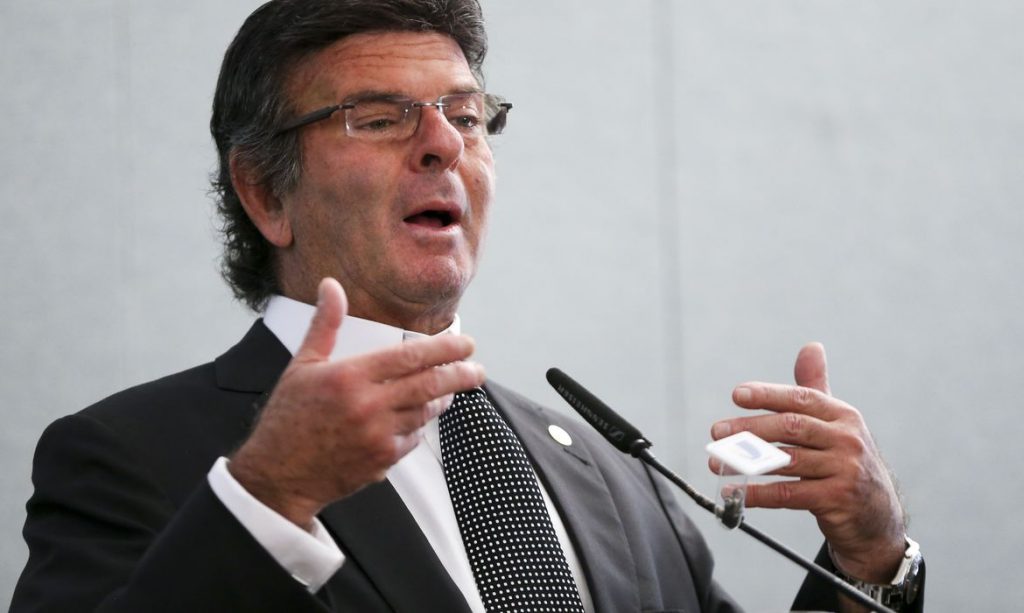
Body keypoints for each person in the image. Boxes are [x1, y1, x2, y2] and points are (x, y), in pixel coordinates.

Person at [12, 1, 924, 611]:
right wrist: (270, 494)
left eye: (467, 115)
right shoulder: (130, 458)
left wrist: (872, 562)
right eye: (379, 117)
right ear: (264, 192)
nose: (442, 144)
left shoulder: (618, 477)